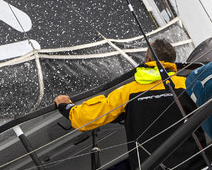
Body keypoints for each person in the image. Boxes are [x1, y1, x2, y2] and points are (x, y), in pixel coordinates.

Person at [55, 39, 186, 131]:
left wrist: (66, 106)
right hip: (198, 165)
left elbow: (85, 118)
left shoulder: (128, 92)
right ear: (172, 62)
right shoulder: (187, 84)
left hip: (151, 168)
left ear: (148, 60)